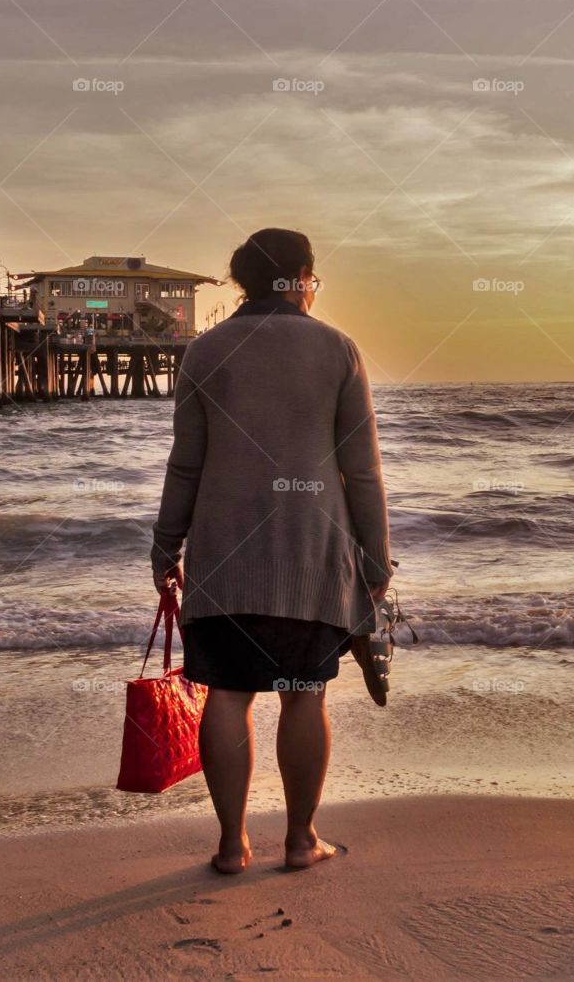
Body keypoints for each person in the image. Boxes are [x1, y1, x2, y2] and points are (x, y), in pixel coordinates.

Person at [151, 228, 393, 875]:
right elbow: (362, 472)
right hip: (312, 558)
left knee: (227, 693)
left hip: (224, 559)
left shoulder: (205, 352)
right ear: (302, 278)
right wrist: (376, 561)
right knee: (303, 691)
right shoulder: (337, 349)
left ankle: (231, 846)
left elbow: (186, 467)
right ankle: (300, 838)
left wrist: (163, 545)